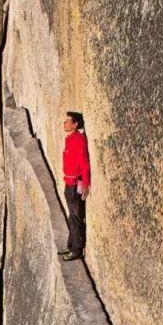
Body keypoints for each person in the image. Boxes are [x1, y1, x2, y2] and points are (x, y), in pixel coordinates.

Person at [60, 110, 91, 261]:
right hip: (68, 183)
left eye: (67, 121)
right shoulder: (70, 139)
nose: (64, 123)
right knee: (72, 217)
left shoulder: (79, 140)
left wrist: (86, 183)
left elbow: (85, 164)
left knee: (77, 217)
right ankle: (71, 245)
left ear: (75, 124)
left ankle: (77, 250)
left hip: (74, 185)